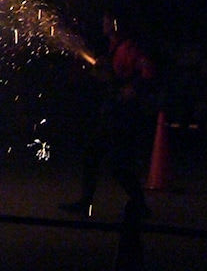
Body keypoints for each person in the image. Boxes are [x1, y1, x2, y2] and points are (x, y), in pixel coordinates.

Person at [62, 13, 157, 218]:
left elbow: (147, 71)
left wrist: (131, 87)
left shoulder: (128, 48)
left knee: (118, 164)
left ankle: (139, 205)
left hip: (122, 115)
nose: (103, 24)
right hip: (113, 112)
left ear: (115, 24)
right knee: (93, 155)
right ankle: (86, 202)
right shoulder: (114, 47)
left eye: (106, 21)